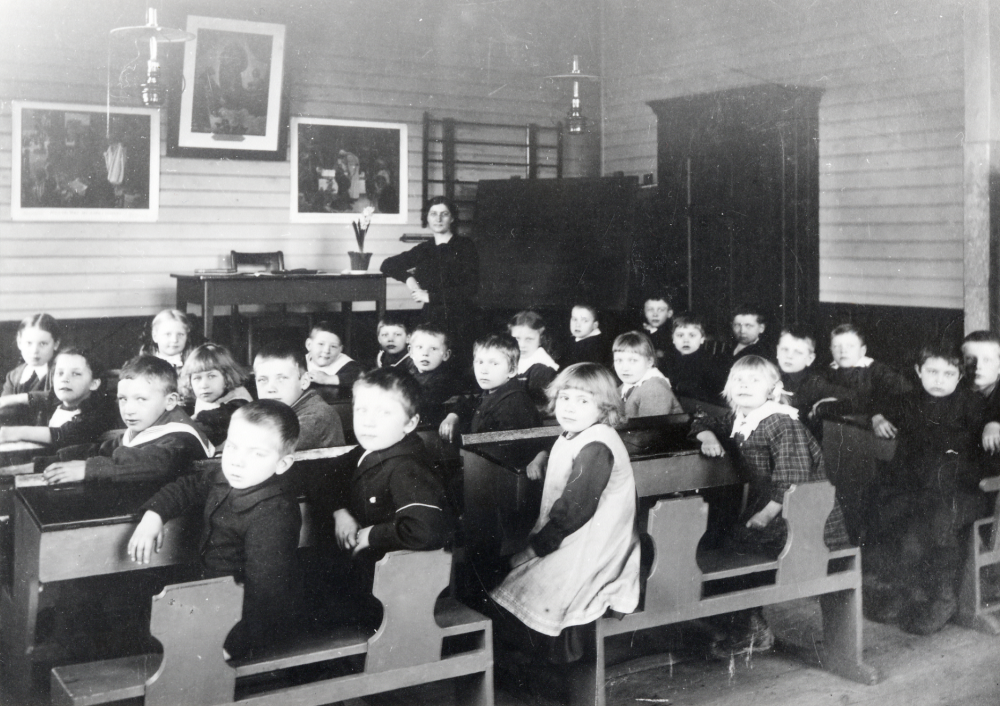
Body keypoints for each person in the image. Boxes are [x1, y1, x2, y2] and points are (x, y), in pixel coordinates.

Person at [488, 362, 639, 678]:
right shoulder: (578, 433)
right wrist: (543, 455)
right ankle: (530, 661)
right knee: (514, 577)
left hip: (596, 542)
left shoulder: (597, 444)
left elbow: (574, 509)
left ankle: (546, 669)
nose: (570, 408)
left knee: (524, 580)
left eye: (583, 401)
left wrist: (534, 549)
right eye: (565, 398)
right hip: (578, 532)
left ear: (604, 408)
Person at [692, 355, 849, 657]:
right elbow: (703, 420)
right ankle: (745, 623)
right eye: (738, 380)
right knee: (723, 542)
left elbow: (793, 481)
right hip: (777, 510)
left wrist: (764, 516)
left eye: (754, 381)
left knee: (730, 547)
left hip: (805, 518)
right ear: (728, 387)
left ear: (772, 389)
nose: (745, 386)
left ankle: (750, 629)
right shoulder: (742, 418)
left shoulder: (779, 422)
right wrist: (707, 436)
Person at [127, 400, 303, 659]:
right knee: (138, 620)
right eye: (232, 447)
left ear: (283, 464)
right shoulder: (225, 477)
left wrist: (229, 645)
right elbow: (187, 486)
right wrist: (154, 515)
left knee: (152, 637)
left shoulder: (274, 513)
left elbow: (266, 592)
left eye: (257, 454)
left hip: (242, 622)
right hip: (211, 598)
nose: (238, 462)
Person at [307, 368, 453, 628]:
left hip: (395, 594)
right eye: (361, 410)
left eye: (384, 413)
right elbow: (323, 478)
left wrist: (372, 535)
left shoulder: (407, 467)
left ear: (410, 423)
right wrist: (340, 512)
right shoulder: (370, 449)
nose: (368, 422)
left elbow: (428, 529)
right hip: (367, 578)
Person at [865, 343, 989, 634]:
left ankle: (943, 598)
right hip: (919, 488)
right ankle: (904, 590)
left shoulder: (972, 405)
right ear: (918, 371)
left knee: (937, 519)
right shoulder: (909, 400)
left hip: (962, 491)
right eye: (932, 372)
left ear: (960, 376)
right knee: (891, 510)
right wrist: (877, 416)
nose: (939, 380)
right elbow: (871, 398)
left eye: (948, 374)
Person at [39, 355, 214, 484]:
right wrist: (48, 462)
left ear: (170, 401)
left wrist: (88, 468)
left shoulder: (181, 437)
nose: (128, 410)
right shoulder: (149, 421)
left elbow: (158, 463)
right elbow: (105, 450)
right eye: (123, 399)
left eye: (141, 399)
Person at [380, 196, 479, 355]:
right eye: (433, 214)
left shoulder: (465, 246)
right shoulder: (425, 249)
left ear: (452, 218)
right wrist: (409, 279)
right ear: (427, 218)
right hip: (430, 317)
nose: (438, 219)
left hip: (460, 318)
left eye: (444, 214)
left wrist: (430, 297)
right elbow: (387, 265)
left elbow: (471, 288)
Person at [0, 346, 119, 449]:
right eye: (60, 373)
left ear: (94, 383)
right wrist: (7, 400)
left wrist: (14, 432)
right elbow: (41, 397)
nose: (64, 379)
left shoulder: (101, 411)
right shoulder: (57, 401)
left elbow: (66, 434)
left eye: (76, 374)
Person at [438, 334, 540, 442]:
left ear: (512, 370)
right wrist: (453, 417)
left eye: (494, 363)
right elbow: (468, 404)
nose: (483, 370)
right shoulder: (490, 392)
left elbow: (506, 449)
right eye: (480, 362)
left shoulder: (513, 404)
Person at [823, 323, 912, 438]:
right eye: (836, 346)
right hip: (838, 433)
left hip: (873, 434)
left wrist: (877, 413)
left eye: (850, 346)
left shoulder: (878, 370)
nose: (843, 351)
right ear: (831, 350)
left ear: (862, 351)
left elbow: (904, 392)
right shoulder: (826, 372)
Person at [253, 339, 345, 451]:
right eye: (262, 380)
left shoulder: (316, 417)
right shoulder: (280, 410)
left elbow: (264, 450)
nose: (270, 389)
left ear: (304, 381)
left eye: (281, 379)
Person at [775, 327, 851, 440]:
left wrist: (824, 404)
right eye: (785, 349)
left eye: (797, 352)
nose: (789, 356)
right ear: (777, 351)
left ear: (810, 359)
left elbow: (850, 396)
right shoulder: (766, 375)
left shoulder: (815, 383)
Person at [178, 343, 252, 447]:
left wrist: (195, 418)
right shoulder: (207, 395)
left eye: (211, 376)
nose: (204, 385)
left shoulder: (239, 399)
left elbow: (219, 417)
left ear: (227, 376)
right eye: (197, 378)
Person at [1, 313, 60, 424]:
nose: (34, 351)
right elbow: (4, 406)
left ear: (56, 344)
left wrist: (22, 398)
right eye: (29, 343)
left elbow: (57, 396)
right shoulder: (14, 376)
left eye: (43, 344)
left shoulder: (60, 371)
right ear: (19, 343)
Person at [613, 331, 683, 418]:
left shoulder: (654, 388)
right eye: (619, 360)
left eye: (633, 360)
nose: (624, 368)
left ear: (649, 362)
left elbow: (651, 426)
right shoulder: (625, 387)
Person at [660, 315, 727, 406]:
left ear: (702, 339)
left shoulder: (709, 363)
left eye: (692, 335)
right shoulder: (667, 360)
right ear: (673, 339)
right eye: (680, 335)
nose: (686, 340)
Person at [408, 323, 463, 428]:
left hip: (430, 428)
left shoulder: (444, 380)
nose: (425, 353)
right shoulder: (410, 371)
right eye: (419, 347)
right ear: (411, 352)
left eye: (433, 349)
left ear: (446, 355)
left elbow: (421, 401)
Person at [509, 310, 559, 407]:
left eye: (529, 339)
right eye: (516, 339)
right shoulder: (511, 357)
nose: (521, 345)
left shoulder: (544, 366)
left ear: (541, 339)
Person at [962, 330, 1000, 453]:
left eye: (987, 360)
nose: (978, 366)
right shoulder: (952, 391)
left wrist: (996, 422)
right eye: (970, 359)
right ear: (962, 363)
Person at [304, 321, 363, 393]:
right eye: (321, 344)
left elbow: (360, 376)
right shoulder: (302, 361)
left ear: (340, 350)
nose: (326, 351)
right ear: (309, 345)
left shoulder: (344, 363)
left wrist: (328, 379)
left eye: (333, 346)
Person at [140, 310, 194, 374]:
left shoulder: (193, 362)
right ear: (155, 337)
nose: (174, 340)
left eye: (180, 334)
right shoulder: (145, 365)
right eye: (168, 334)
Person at [641, 294, 674, 367]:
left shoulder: (673, 334)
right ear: (644, 312)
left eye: (661, 310)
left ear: (669, 313)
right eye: (650, 310)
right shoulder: (639, 332)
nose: (655, 314)